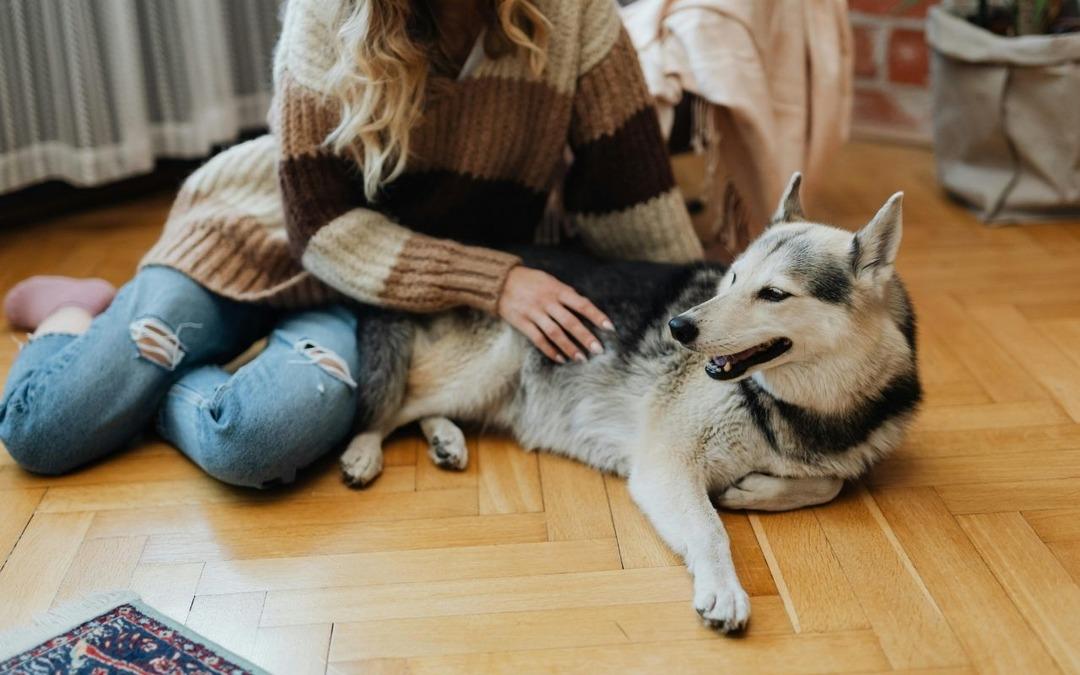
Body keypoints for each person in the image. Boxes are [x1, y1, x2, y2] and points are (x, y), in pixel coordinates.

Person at [0, 0, 703, 488]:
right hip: (256, 237)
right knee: (45, 431)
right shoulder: (328, 12)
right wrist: (498, 280)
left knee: (253, 442)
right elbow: (322, 229)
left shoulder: (575, 14)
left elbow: (630, 199)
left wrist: (708, 320)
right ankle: (75, 312)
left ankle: (153, 373)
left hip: (379, 297)